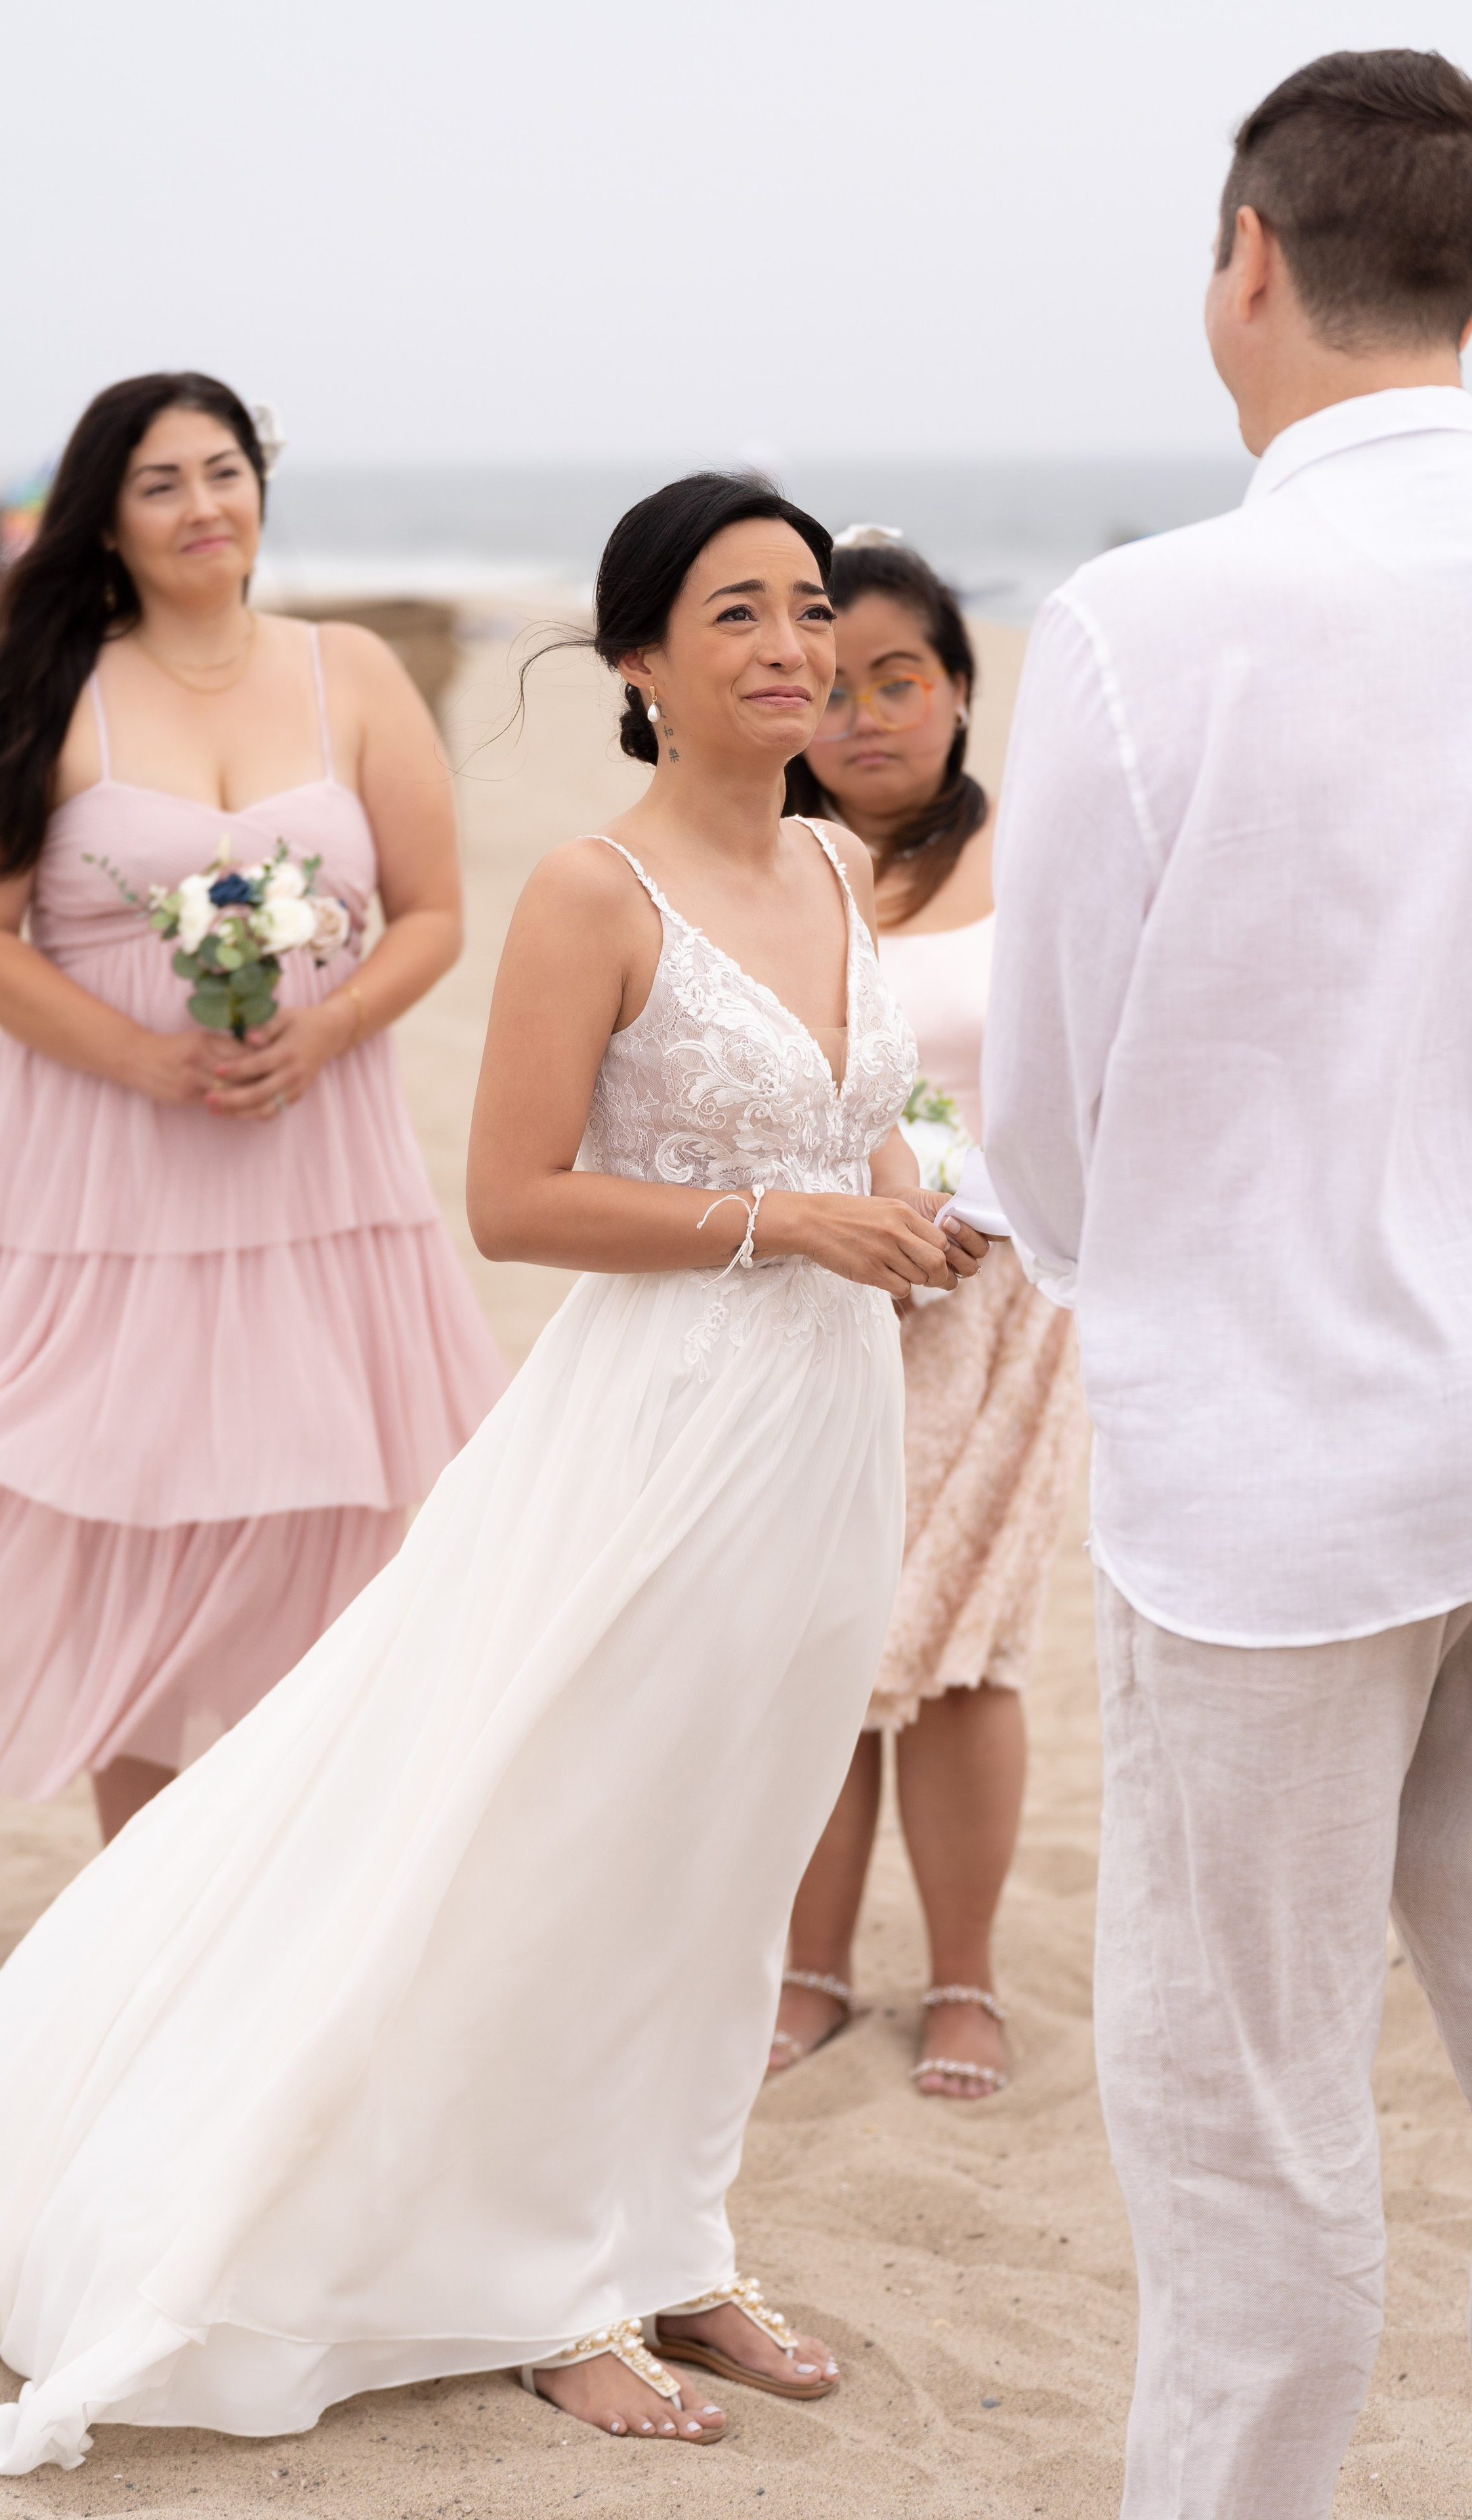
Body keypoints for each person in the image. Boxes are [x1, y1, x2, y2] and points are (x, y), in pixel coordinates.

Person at [0, 471, 986, 2473]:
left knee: (734, 1837)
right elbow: (517, 1199)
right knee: (580, 1835)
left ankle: (681, 2231)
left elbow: (858, 1118)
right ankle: (551, 2285)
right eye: (739, 614)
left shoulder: (835, 869)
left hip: (826, 1430)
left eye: (811, 607)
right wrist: (794, 1225)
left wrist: (904, 1212)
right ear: (637, 661)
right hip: (657, 1430)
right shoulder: (592, 895)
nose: (796, 646)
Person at [981, 51, 1472, 2518]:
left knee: (1250, 2114)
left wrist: (1134, 1269)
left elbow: (1048, 1116)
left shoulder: (1151, 622)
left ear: (1248, 264)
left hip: (1270, 1474)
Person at [0, 372, 506, 1841]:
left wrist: (326, 1031)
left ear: (262, 486)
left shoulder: (350, 671)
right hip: (107, 1166)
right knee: (137, 1498)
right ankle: (145, 1878)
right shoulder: (44, 685)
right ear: (107, 522)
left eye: (225, 471)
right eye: (163, 483)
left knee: (324, 1499)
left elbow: (433, 911)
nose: (204, 507)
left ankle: (294, 1854)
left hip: (320, 1153)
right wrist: (150, 1063)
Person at [769, 532, 1083, 2098]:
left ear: (960, 694)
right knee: (817, 1633)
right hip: (812, 1292)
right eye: (831, 687)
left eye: (901, 679)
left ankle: (961, 1978)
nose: (866, 714)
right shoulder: (759, 863)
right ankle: (806, 1966)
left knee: (964, 1648)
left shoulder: (1033, 860)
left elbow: (1098, 1073)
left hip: (997, 1295)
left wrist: (983, 1210)